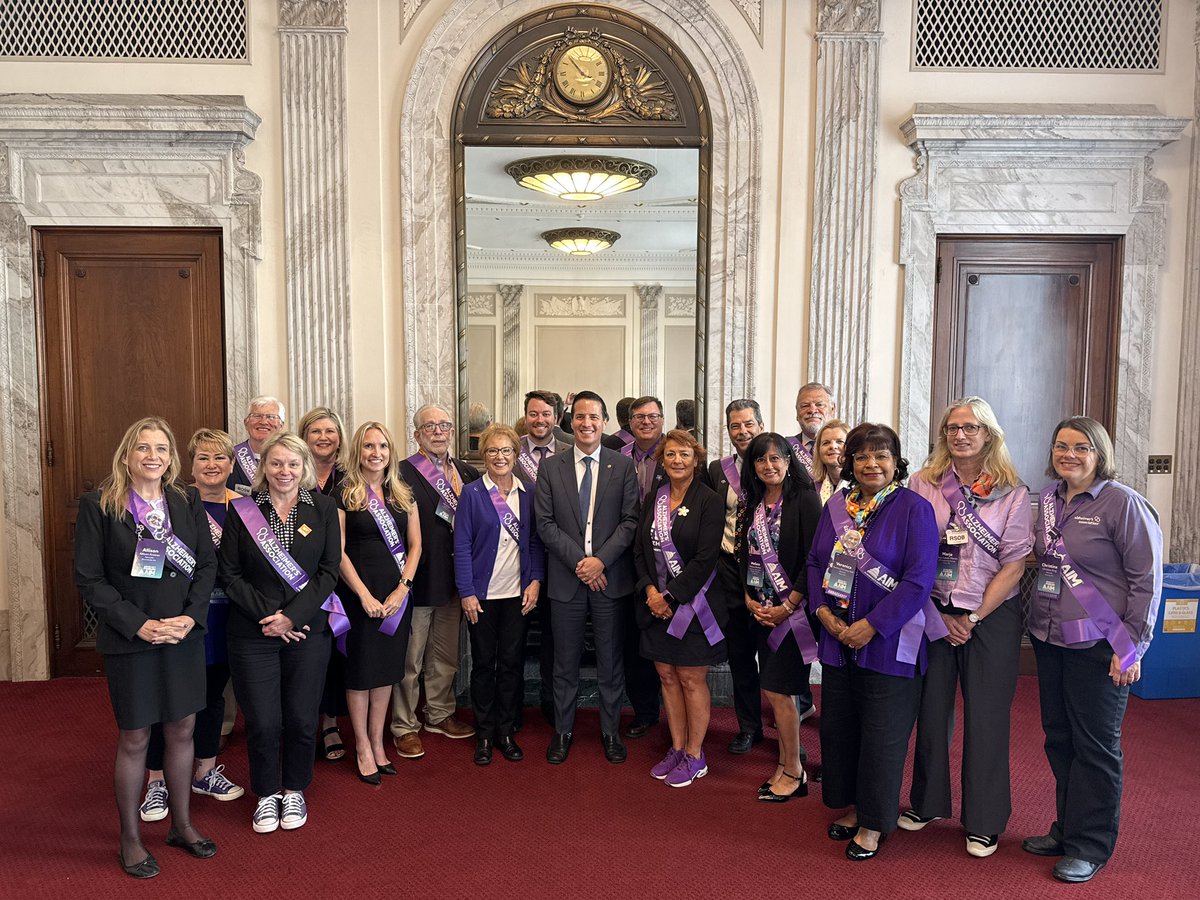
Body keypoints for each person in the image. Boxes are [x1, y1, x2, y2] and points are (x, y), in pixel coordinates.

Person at [75, 417, 218, 878]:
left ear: (172, 457)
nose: (153, 456)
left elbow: (206, 566)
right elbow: (89, 579)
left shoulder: (186, 499)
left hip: (181, 636)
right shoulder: (101, 505)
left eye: (161, 448)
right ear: (127, 455)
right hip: (131, 638)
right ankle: (130, 839)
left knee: (182, 729)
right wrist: (139, 625)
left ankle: (181, 824)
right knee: (136, 737)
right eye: (143, 447)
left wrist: (191, 617)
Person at [1022, 416, 1162, 884]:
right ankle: (1066, 829)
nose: (1069, 455)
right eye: (1062, 446)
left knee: (1096, 748)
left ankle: (1091, 845)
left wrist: (1132, 648)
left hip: (1100, 645)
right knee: (1059, 738)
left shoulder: (1123, 504)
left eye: (1081, 448)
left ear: (1099, 454)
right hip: (1048, 638)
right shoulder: (1046, 500)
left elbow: (1147, 582)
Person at [900, 399, 1033, 858]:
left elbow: (1015, 564)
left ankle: (985, 820)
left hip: (990, 616)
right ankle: (926, 803)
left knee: (987, 719)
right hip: (933, 611)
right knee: (931, 712)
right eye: (952, 428)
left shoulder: (1013, 491)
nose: (960, 435)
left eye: (970, 427)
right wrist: (939, 616)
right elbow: (912, 553)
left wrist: (972, 618)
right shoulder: (922, 483)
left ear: (989, 434)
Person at [807, 422, 940, 861]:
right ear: (850, 463)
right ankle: (853, 805)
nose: (871, 464)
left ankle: (874, 821)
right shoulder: (835, 509)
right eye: (861, 456)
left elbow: (918, 582)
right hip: (837, 639)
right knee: (842, 729)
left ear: (896, 461)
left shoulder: (914, 509)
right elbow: (812, 564)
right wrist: (823, 612)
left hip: (889, 643)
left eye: (881, 455)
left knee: (883, 735)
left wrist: (872, 625)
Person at [219, 431, 342, 834]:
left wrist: (293, 616)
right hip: (253, 632)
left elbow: (329, 572)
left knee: (303, 718)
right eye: (275, 463)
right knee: (264, 721)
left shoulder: (323, 508)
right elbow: (230, 575)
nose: (284, 471)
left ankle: (295, 789)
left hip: (307, 629)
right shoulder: (242, 510)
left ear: (304, 466)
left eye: (292, 463)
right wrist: (270, 616)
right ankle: (267, 794)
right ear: (262, 468)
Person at [140, 430, 244, 825]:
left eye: (220, 458)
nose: (212, 465)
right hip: (178, 619)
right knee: (165, 699)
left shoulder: (246, 508)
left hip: (225, 619)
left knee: (212, 695)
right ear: (190, 463)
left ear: (232, 465)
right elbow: (146, 563)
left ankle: (204, 771)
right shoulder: (169, 504)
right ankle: (156, 780)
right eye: (203, 457)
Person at [534, 390, 640, 764]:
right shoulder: (551, 467)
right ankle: (563, 731)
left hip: (610, 582)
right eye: (579, 417)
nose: (586, 424)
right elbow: (544, 525)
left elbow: (630, 522)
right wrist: (583, 563)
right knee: (564, 664)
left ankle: (610, 733)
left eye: (594, 417)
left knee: (611, 662)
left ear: (605, 421)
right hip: (566, 582)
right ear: (570, 421)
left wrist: (601, 562)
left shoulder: (622, 465)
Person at [634, 429, 724, 787]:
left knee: (690, 678)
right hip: (655, 605)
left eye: (684, 454)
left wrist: (669, 596)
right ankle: (675, 747)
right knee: (667, 677)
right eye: (670, 454)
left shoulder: (710, 500)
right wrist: (650, 592)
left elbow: (705, 558)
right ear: (662, 460)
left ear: (696, 459)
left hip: (694, 607)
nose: (677, 460)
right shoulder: (655, 497)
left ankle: (695, 753)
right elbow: (639, 550)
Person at [393, 403, 481, 758]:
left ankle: (439, 713)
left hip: (455, 579)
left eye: (445, 425)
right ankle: (404, 724)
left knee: (445, 655)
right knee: (410, 659)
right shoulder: (400, 473)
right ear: (417, 435)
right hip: (418, 578)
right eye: (430, 426)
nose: (439, 431)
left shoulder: (466, 473)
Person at [335, 421, 422, 784]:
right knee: (360, 673)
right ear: (358, 451)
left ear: (391, 452)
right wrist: (364, 595)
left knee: (385, 672)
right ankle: (361, 745)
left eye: (383, 446)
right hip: (360, 596)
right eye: (369, 446)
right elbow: (336, 552)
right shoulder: (344, 493)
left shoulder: (403, 492)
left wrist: (402, 588)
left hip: (395, 597)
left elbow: (416, 545)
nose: (376, 453)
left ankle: (377, 740)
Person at [455, 424, 546, 765]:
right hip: (481, 596)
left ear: (516, 454)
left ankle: (505, 732)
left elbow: (535, 541)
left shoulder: (529, 492)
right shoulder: (472, 493)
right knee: (482, 665)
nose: (499, 457)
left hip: (517, 596)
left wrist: (536, 580)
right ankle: (483, 733)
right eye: (492, 451)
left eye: (506, 450)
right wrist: (466, 591)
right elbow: (461, 546)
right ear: (484, 456)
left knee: (511, 664)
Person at [739, 433, 822, 802]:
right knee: (773, 690)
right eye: (761, 460)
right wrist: (747, 596)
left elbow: (813, 558)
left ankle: (794, 770)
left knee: (779, 690)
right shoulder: (753, 501)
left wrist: (788, 605)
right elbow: (745, 553)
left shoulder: (804, 499)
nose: (768, 465)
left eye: (776, 458)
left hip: (793, 613)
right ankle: (787, 763)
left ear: (790, 461)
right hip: (761, 611)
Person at [701, 399, 767, 754]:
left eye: (748, 424)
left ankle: (789, 730)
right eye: (735, 426)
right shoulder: (717, 469)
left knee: (774, 657)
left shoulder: (776, 463)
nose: (742, 432)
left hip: (769, 573)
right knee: (740, 654)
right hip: (729, 569)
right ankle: (748, 726)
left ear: (761, 424)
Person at [515, 390, 572, 725]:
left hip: (560, 560)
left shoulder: (569, 451)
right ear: (525, 416)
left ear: (556, 417)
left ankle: (554, 705)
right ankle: (514, 707)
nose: (539, 420)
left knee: (555, 639)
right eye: (533, 414)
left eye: (546, 414)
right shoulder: (509, 450)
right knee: (515, 638)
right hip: (516, 561)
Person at [298, 405, 350, 761]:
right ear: (304, 437)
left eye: (330, 431)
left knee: (332, 656)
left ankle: (329, 721)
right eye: (316, 431)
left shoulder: (350, 478)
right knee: (302, 655)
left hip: (339, 582)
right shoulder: (290, 472)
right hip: (296, 581)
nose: (323, 437)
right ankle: (301, 722)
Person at [620, 395, 668, 737]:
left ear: (662, 419)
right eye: (639, 416)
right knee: (633, 640)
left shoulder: (678, 455)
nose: (646, 422)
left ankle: (676, 714)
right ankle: (645, 711)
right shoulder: (617, 458)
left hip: (667, 563)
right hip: (624, 561)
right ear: (629, 421)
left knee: (668, 640)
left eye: (652, 416)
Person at [228, 395, 287, 494]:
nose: (263, 422)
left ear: (281, 425)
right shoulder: (229, 457)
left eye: (271, 417)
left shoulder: (292, 459)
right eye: (257, 416)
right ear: (246, 423)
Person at [788, 382, 837, 483]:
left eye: (819, 405)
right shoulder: (785, 447)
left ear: (832, 410)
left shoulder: (846, 447)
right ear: (797, 413)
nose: (812, 410)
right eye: (805, 406)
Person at [812, 419, 850, 506]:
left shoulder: (861, 487)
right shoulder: (812, 490)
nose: (833, 446)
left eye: (840, 442)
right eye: (826, 443)